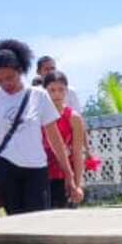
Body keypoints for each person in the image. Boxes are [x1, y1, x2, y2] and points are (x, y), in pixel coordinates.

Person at [0, 40, 84, 215]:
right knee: (16, 221)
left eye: (10, 78)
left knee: (39, 219)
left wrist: (69, 174)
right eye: (0, 80)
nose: (5, 83)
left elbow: (55, 138)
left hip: (37, 168)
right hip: (6, 168)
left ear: (20, 71)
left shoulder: (39, 95)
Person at [41, 71, 87, 208]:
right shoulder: (37, 117)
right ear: (45, 92)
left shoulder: (74, 118)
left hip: (65, 177)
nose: (57, 94)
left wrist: (78, 185)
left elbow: (78, 153)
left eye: (61, 90)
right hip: (40, 175)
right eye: (52, 90)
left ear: (66, 91)